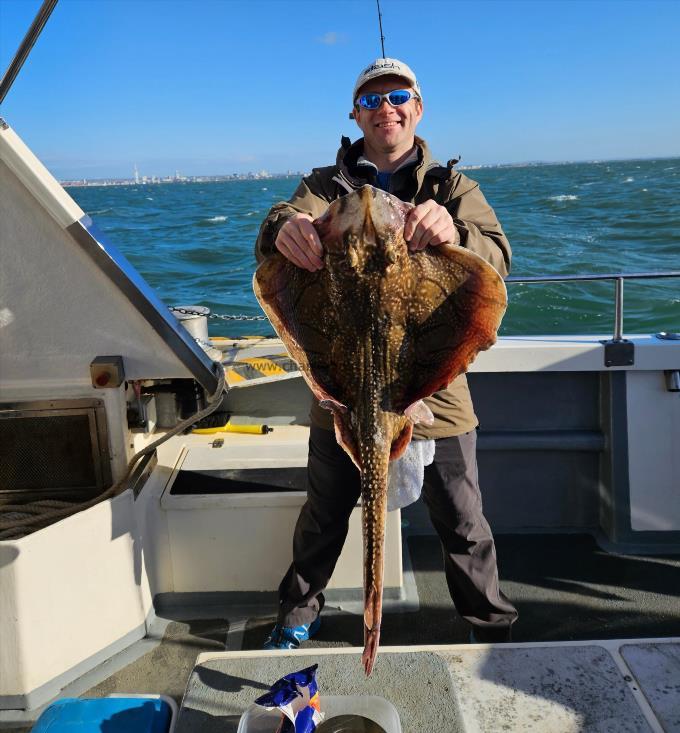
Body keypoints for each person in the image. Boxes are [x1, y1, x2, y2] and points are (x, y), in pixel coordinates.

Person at [255, 58, 517, 649]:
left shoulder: (450, 188)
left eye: (397, 96)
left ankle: (490, 626)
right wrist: (284, 228)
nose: (386, 109)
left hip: (436, 383)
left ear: (417, 109)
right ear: (355, 114)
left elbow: (498, 257)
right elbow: (274, 228)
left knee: (462, 519)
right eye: (371, 101)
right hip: (342, 387)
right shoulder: (323, 187)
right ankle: (297, 616)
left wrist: (454, 231)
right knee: (323, 517)